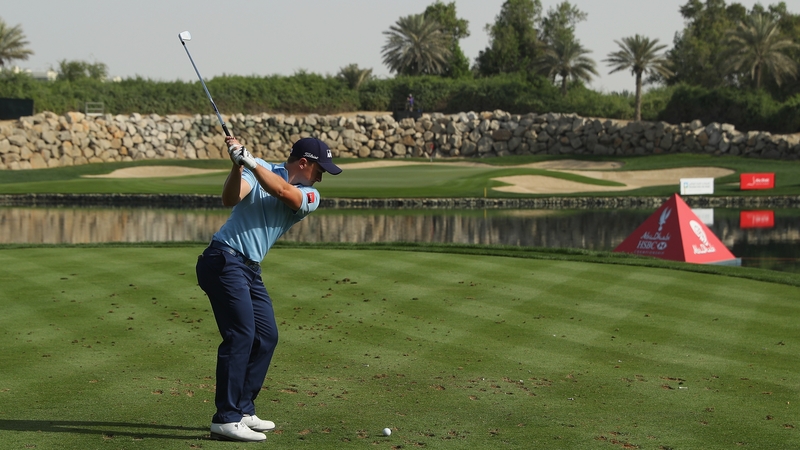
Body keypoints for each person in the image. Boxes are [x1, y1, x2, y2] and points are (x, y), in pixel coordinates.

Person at [195, 136, 342, 442]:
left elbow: (282, 191)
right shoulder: (258, 166)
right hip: (223, 259)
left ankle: (243, 409)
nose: (320, 177)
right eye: (319, 170)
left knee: (266, 336)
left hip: (249, 269)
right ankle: (226, 418)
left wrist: (248, 160)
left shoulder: (310, 195)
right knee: (241, 334)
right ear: (304, 163)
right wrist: (237, 166)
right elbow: (231, 198)